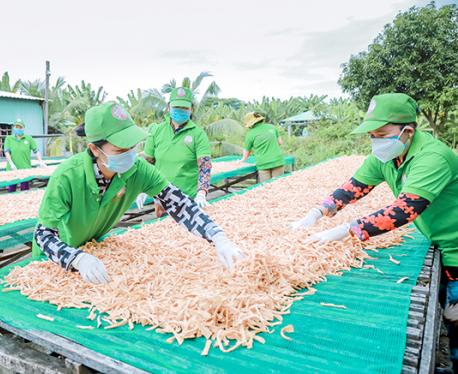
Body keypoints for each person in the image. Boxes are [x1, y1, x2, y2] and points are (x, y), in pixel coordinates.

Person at [288, 93, 458, 350]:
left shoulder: (433, 158)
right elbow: (353, 187)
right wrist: (317, 212)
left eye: (382, 134)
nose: (376, 141)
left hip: (456, 248)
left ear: (408, 131)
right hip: (440, 241)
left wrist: (348, 229)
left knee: (452, 325)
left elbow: (405, 209)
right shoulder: (388, 157)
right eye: (372, 135)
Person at [33, 101, 246, 285]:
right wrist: (77, 260)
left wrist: (217, 237)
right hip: (54, 259)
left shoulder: (138, 169)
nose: (129, 154)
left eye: (133, 147)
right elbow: (43, 234)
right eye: (120, 150)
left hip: (95, 248)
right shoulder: (67, 177)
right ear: (95, 149)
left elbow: (179, 204)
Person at [137, 87, 212, 218]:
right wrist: (142, 188)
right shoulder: (156, 131)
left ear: (191, 108)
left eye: (184, 108)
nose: (180, 110)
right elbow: (147, 164)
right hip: (162, 199)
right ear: (169, 107)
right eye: (176, 107)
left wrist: (201, 193)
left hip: (188, 198)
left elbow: (204, 167)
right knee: (165, 233)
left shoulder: (198, 134)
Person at [4, 118, 47, 193]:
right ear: (14, 127)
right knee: (12, 189)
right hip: (13, 168)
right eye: (16, 127)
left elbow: (36, 150)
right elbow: (7, 152)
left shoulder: (29, 138)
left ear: (23, 128)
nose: (18, 129)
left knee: (25, 189)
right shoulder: (8, 138)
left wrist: (40, 161)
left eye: (20, 127)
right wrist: (11, 163)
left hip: (25, 168)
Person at [241, 112, 286, 182]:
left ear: (250, 124)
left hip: (263, 164)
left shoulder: (249, 135)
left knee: (266, 188)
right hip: (277, 161)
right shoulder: (272, 127)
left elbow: (246, 155)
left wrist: (242, 160)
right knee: (278, 186)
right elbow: (280, 143)